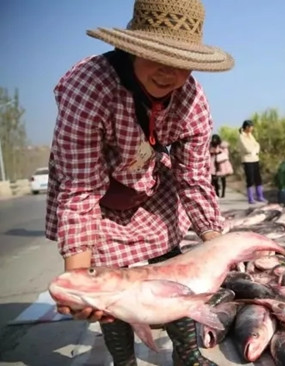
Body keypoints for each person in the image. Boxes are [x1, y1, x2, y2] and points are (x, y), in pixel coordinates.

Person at [45, 0, 234, 365]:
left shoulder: (192, 100)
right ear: (130, 47)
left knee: (172, 270)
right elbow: (80, 190)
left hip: (152, 188)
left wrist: (219, 244)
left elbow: (194, 180)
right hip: (97, 195)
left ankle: (188, 354)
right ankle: (124, 360)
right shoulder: (88, 88)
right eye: (156, 56)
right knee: (109, 288)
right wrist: (80, 285)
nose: (169, 73)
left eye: (181, 62)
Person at [238, 120, 266, 204]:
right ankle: (251, 198)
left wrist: (255, 151)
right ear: (247, 127)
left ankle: (260, 196)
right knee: (250, 179)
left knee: (258, 178)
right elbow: (245, 148)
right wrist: (252, 151)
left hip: (255, 158)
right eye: (251, 127)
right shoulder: (241, 136)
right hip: (247, 160)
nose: (252, 128)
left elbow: (257, 144)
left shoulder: (250, 135)